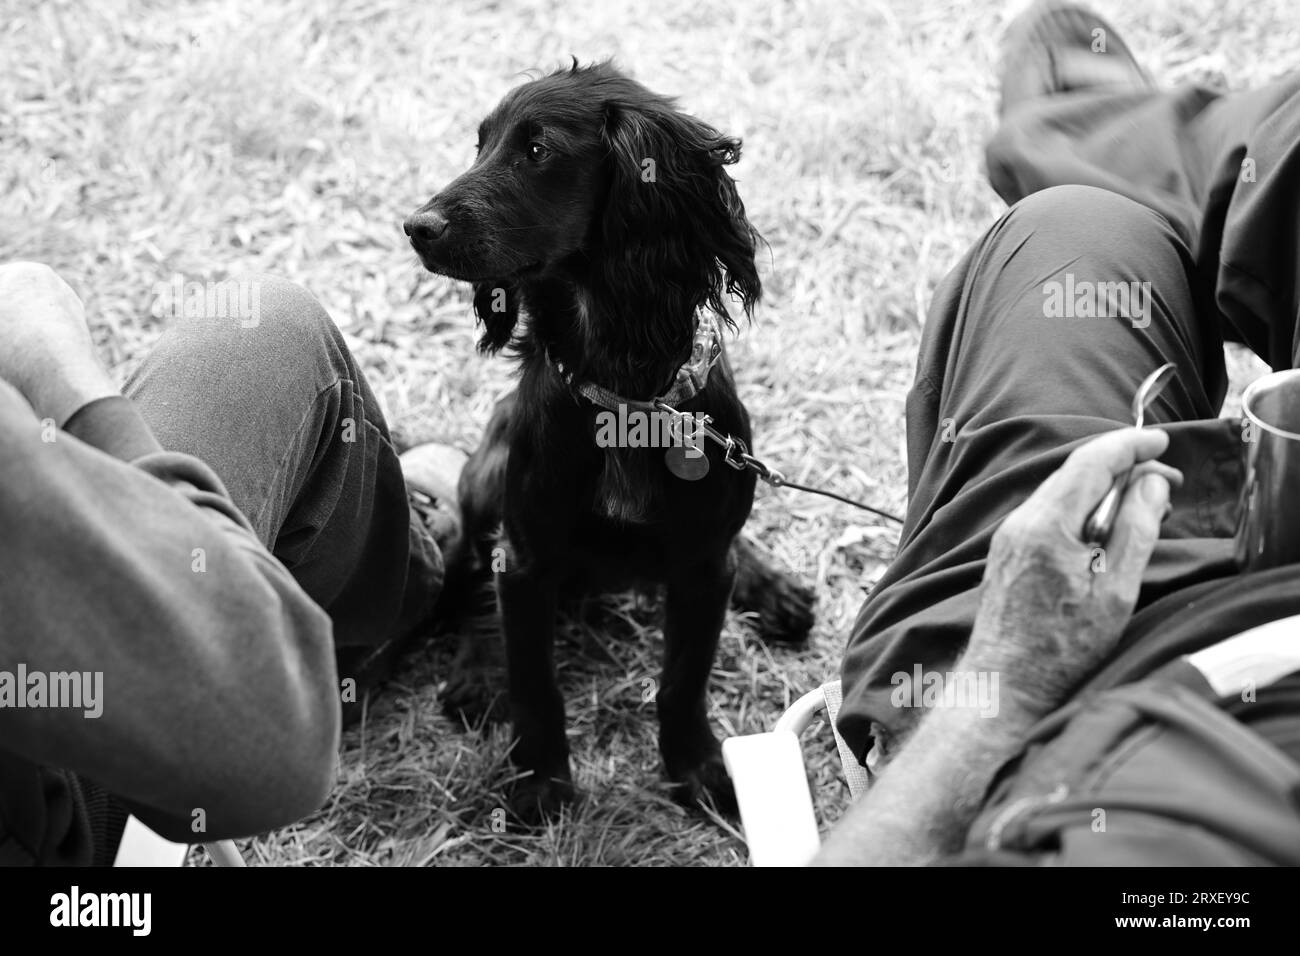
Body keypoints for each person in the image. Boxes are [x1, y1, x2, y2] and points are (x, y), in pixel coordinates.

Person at [821, 1, 1300, 864]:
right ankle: (1148, 143)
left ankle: (1098, 135)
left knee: (1072, 233)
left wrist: (1006, 683)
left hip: (1128, 675)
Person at [0, 263, 452, 865]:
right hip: (69, 818)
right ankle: (393, 588)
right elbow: (273, 749)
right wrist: (59, 373)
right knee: (266, 326)